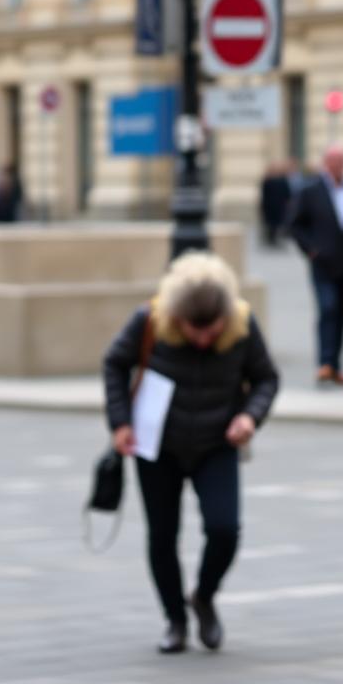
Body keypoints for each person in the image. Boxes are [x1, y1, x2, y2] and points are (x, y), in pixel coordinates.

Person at [102, 252, 279, 654]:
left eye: (211, 332)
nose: (202, 340)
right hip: (157, 445)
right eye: (193, 331)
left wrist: (250, 417)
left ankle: (204, 595)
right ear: (176, 317)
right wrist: (120, 422)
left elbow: (266, 378)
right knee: (163, 535)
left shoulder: (242, 324)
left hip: (217, 443)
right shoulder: (149, 320)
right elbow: (114, 363)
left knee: (224, 528)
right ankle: (175, 620)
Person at [287, 144, 343, 386]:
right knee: (328, 308)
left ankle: (336, 366)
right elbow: (295, 224)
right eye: (333, 161)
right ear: (325, 163)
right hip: (323, 262)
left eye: (341, 161)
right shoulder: (310, 191)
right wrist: (310, 249)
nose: (337, 166)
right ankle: (325, 362)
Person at [258, 161, 291, 247]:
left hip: (278, 206)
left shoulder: (282, 180)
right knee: (271, 223)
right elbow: (264, 194)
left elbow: (287, 193)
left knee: (276, 223)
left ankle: (274, 238)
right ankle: (271, 238)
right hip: (270, 206)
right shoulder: (268, 181)